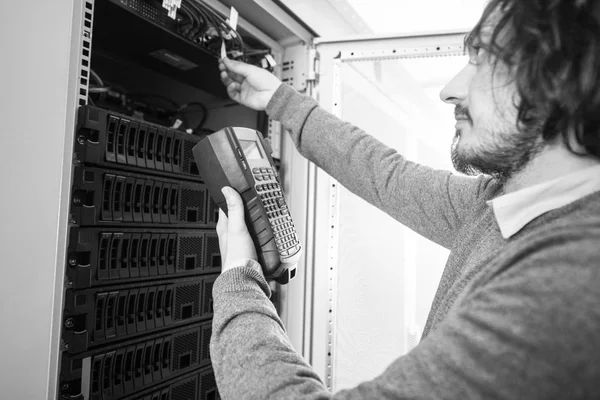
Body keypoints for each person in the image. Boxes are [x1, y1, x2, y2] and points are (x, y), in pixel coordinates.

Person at [210, 0, 600, 398]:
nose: (450, 92)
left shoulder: (563, 287)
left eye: (482, 59)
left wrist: (239, 278)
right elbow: (386, 175)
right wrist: (282, 100)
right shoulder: (507, 204)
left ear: (562, 76)